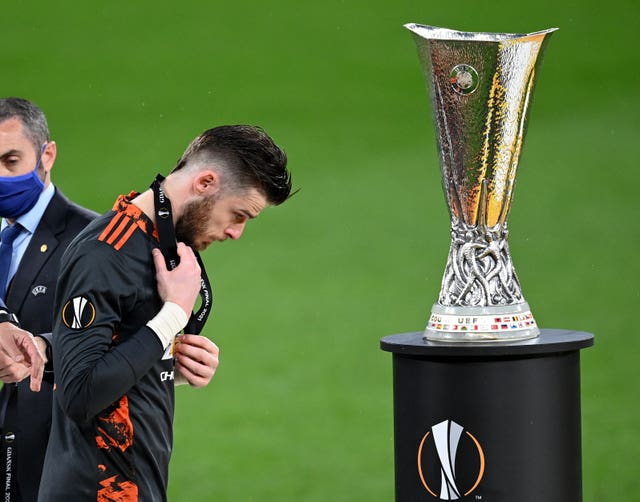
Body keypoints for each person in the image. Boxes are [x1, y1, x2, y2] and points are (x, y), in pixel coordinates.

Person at [38, 124, 292, 501]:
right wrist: (171, 317)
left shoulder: (156, 245)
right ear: (205, 183)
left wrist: (169, 367)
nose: (236, 232)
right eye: (239, 215)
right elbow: (79, 393)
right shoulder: (105, 253)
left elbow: (110, 361)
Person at [0, 97, 97, 502]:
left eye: (10, 161)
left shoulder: (93, 241)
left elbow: (108, 342)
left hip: (45, 469)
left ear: (47, 154)